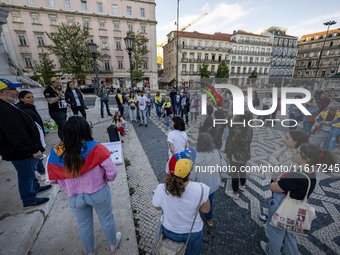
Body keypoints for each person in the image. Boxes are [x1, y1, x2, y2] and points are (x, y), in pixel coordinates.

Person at [46, 116, 121, 255]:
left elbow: (54, 179)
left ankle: (90, 251)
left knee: (84, 225)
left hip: (74, 197)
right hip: (98, 192)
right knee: (107, 218)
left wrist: (67, 186)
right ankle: (113, 244)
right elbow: (112, 172)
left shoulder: (56, 152)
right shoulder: (96, 147)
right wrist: (105, 179)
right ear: (86, 130)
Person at [260, 143, 335, 255]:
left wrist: (277, 180)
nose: (294, 152)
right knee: (290, 232)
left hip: (281, 205)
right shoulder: (311, 175)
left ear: (307, 159)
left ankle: (271, 251)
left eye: (298, 152)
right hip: (296, 208)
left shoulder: (296, 175)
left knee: (275, 231)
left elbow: (273, 187)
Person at [0, 78, 51, 207]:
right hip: (21, 152)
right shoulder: (3, 109)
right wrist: (33, 149)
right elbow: (16, 133)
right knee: (26, 175)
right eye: (12, 89)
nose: (16, 92)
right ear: (2, 92)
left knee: (30, 172)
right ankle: (29, 199)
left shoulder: (8, 105)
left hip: (23, 150)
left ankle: (35, 188)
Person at [152, 149, 210, 255]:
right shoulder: (202, 189)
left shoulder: (161, 189)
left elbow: (157, 207)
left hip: (170, 230)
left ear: (169, 170)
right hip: (193, 232)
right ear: (190, 170)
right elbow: (206, 210)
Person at [259, 130, 309, 222]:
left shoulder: (295, 157)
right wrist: (278, 164)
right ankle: (271, 217)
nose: (283, 139)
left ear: (295, 142)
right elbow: (272, 156)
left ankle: (273, 220)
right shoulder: (287, 147)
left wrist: (276, 164)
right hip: (277, 179)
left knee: (279, 203)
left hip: (283, 183)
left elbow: (277, 169)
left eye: (287, 138)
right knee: (274, 200)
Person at [190, 133, 224, 227]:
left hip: (200, 186)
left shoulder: (196, 156)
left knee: (197, 200)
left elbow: (193, 176)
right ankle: (210, 219)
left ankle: (195, 216)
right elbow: (224, 167)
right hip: (213, 184)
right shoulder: (216, 152)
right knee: (210, 200)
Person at [17, 90, 47, 180]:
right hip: (32, 138)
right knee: (35, 157)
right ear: (21, 99)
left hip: (37, 136)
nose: (31, 99)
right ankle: (41, 173)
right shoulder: (22, 110)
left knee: (37, 157)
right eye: (28, 97)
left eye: (32, 97)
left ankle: (42, 172)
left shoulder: (30, 107)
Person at [224, 111, 253, 199]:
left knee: (234, 172)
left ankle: (235, 192)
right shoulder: (250, 128)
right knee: (242, 169)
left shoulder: (237, 129)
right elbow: (250, 140)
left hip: (235, 154)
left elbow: (230, 142)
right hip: (245, 153)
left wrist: (228, 153)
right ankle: (242, 185)